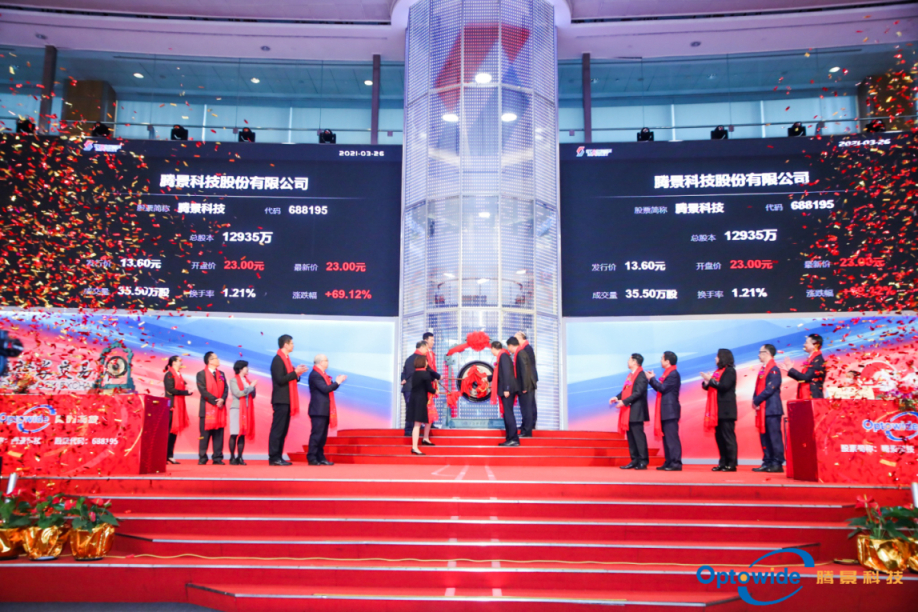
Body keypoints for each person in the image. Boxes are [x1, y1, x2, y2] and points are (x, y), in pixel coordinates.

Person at [270, 335, 309, 466]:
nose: (293, 345)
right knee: (278, 430)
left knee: (283, 430)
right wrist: (295, 372)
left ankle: (278, 457)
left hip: (287, 400)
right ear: (285, 345)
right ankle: (274, 457)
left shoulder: (286, 360)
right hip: (280, 399)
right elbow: (280, 380)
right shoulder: (278, 360)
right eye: (291, 343)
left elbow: (290, 377)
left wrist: (297, 373)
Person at [609, 354, 649, 469]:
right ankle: (634, 460)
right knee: (631, 437)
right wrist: (617, 397)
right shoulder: (631, 375)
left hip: (637, 410)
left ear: (635, 362)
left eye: (629, 360)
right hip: (629, 410)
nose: (627, 361)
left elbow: (638, 392)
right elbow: (626, 390)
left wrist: (625, 402)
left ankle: (643, 461)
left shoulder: (641, 375)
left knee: (638, 437)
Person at [701, 349, 737, 472]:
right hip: (717, 410)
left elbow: (724, 386)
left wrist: (711, 380)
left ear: (723, 357)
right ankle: (723, 462)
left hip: (726, 409)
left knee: (728, 437)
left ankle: (731, 464)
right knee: (720, 437)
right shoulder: (718, 372)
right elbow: (711, 386)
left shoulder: (730, 371)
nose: (715, 359)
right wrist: (707, 382)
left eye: (717, 356)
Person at [307, 354, 346, 465]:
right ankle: (312, 457)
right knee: (317, 435)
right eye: (326, 360)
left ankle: (320, 457)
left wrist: (336, 382)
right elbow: (325, 389)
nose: (327, 362)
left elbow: (327, 388)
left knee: (322, 436)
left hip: (324, 409)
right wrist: (337, 382)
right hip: (318, 410)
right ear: (321, 362)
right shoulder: (315, 375)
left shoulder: (323, 375)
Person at [646, 351, 682, 471]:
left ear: (668, 361)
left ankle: (676, 463)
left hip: (670, 410)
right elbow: (661, 388)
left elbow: (662, 388)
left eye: (662, 358)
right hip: (666, 409)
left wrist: (652, 379)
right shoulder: (668, 373)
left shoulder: (673, 374)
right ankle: (669, 461)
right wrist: (653, 379)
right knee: (666, 438)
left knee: (672, 438)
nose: (661, 360)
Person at [752, 344, 784, 473]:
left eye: (761, 352)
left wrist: (757, 400)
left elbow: (770, 389)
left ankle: (777, 463)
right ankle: (767, 461)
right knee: (764, 437)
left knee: (774, 437)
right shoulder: (763, 369)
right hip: (763, 409)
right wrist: (755, 399)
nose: (759, 355)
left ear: (767, 353)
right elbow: (758, 388)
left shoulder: (774, 370)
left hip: (772, 409)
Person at [196, 351, 229, 465]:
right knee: (204, 435)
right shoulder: (201, 374)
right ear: (210, 361)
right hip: (207, 409)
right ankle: (202, 457)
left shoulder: (221, 374)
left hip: (219, 409)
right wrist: (216, 401)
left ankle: (217, 458)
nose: (218, 360)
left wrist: (222, 399)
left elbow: (226, 389)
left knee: (219, 435)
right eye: (216, 358)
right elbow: (203, 391)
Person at [163, 355, 193, 465]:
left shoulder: (179, 375)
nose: (182, 362)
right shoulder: (169, 374)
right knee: (168, 431)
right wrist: (186, 392)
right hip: (172, 406)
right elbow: (171, 389)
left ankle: (170, 455)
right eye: (179, 360)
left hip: (179, 405)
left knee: (173, 431)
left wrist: (187, 391)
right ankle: (163, 456)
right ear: (174, 362)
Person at [490, 340, 520, 447]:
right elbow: (499, 374)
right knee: (507, 415)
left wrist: (507, 388)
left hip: (508, 390)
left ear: (493, 348)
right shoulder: (502, 356)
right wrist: (487, 378)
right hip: (506, 389)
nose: (491, 351)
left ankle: (514, 439)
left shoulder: (503, 356)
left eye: (491, 349)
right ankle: (510, 438)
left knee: (508, 414)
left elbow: (507, 373)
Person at [407, 354, 438, 455]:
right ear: (423, 363)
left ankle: (416, 445)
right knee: (417, 425)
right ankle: (415, 447)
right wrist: (435, 391)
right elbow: (429, 388)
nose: (427, 363)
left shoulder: (415, 373)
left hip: (413, 400)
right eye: (426, 361)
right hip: (421, 400)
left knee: (416, 424)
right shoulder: (425, 374)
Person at [229, 360, 257, 466]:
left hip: (246, 409)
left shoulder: (248, 381)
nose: (247, 369)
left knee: (242, 435)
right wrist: (250, 387)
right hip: (237, 409)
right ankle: (232, 457)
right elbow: (238, 393)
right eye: (246, 367)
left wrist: (253, 388)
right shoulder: (233, 380)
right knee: (234, 433)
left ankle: (240, 457)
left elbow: (252, 395)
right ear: (240, 369)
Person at [509, 336, 537, 437]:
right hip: (526, 385)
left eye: (509, 348)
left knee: (526, 409)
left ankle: (527, 431)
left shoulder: (520, 353)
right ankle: (525, 429)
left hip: (526, 386)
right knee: (525, 408)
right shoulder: (520, 352)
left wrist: (524, 387)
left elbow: (525, 371)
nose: (509, 350)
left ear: (511, 345)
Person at [785, 333, 826, 399]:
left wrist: (791, 370)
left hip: (813, 398)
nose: (804, 345)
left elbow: (806, 378)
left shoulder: (817, 360)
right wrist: (790, 370)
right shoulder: (812, 359)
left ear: (815, 345)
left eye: (806, 343)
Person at [401, 341, 429, 435]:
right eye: (426, 349)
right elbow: (425, 372)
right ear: (421, 347)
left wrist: (403, 379)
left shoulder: (409, 358)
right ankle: (411, 430)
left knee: (411, 409)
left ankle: (411, 429)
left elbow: (404, 372)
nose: (427, 351)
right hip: (414, 388)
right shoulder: (420, 358)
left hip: (408, 388)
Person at [515, 332, 538, 431]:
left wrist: (525, 384)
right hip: (527, 380)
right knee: (527, 405)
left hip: (528, 380)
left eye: (516, 338)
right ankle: (526, 424)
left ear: (521, 338)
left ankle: (530, 425)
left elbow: (527, 367)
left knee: (529, 404)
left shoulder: (527, 348)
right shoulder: (523, 348)